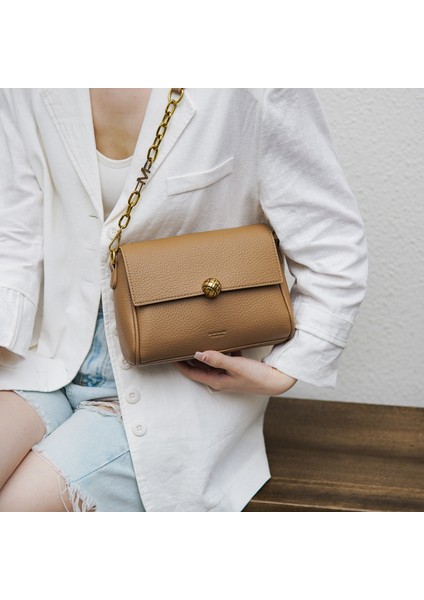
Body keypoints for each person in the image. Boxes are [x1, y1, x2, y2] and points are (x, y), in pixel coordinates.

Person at [0, 88, 368, 512]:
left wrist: (289, 367)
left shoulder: (254, 87)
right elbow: (15, 227)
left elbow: (331, 242)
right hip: (45, 355)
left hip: (178, 377)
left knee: (16, 507)